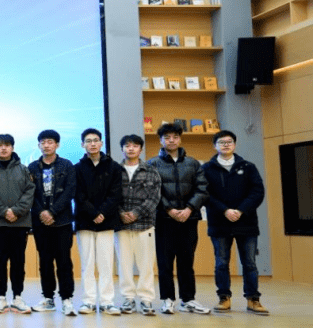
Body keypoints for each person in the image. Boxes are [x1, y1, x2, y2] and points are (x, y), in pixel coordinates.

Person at [201, 130, 268, 315]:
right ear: (215, 146)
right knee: (221, 263)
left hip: (246, 222)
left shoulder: (248, 167)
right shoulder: (206, 168)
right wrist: (225, 210)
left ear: (235, 145)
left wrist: (240, 210)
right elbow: (205, 194)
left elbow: (257, 192)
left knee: (250, 263)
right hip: (219, 223)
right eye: (221, 142)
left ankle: (253, 299)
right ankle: (224, 298)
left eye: (229, 142)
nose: (226, 145)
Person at [148, 123, 210, 315]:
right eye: (167, 137)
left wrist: (189, 208)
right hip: (163, 220)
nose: (171, 140)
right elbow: (152, 190)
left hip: (189, 219)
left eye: (175, 137)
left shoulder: (193, 163)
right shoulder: (152, 164)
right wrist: (169, 209)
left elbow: (202, 189)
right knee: (165, 262)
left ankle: (188, 300)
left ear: (180, 139)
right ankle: (167, 300)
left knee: (186, 261)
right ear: (161, 140)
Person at [0, 134, 35, 314]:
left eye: (7, 145)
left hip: (20, 223)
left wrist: (16, 211)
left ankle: (18, 297)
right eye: (0, 145)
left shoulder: (23, 170)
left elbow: (30, 192)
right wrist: (4, 211)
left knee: (18, 262)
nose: (3, 148)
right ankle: (1, 298)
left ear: (12, 148)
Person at [73, 128, 123, 316]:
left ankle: (107, 302)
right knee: (87, 264)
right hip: (85, 221)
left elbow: (116, 194)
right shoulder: (77, 168)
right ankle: (88, 301)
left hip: (107, 221)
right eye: (88, 141)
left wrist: (102, 212)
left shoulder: (114, 167)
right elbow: (78, 194)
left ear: (101, 143)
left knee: (106, 264)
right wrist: (93, 213)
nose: (92, 144)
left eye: (95, 140)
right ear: (82, 145)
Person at [27, 130, 77, 316]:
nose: (46, 145)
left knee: (64, 261)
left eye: (50, 142)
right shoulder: (32, 167)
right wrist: (41, 212)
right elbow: (29, 193)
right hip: (40, 223)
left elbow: (70, 191)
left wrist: (53, 212)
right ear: (39, 145)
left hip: (62, 221)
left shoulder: (66, 165)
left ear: (57, 145)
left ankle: (67, 299)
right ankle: (48, 298)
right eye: (43, 142)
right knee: (45, 261)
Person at [114, 134, 161, 316]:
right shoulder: (115, 171)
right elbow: (110, 196)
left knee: (146, 264)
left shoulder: (151, 171)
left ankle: (146, 299)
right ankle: (128, 298)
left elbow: (154, 198)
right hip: (121, 226)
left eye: (134, 146)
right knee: (124, 265)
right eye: (127, 146)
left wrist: (136, 213)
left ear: (140, 149)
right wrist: (120, 213)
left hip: (145, 225)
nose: (131, 149)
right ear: (122, 149)